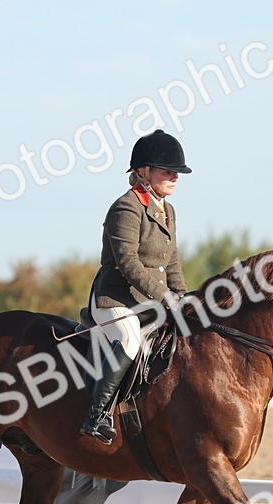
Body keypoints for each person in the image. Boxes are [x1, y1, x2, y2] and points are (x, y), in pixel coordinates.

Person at [80, 129, 191, 444]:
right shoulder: (126, 208)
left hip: (152, 300)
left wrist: (183, 297)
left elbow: (171, 261)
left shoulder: (168, 211)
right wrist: (165, 296)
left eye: (176, 172)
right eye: (167, 171)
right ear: (143, 172)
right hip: (115, 298)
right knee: (129, 340)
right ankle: (96, 415)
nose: (174, 177)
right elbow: (128, 263)